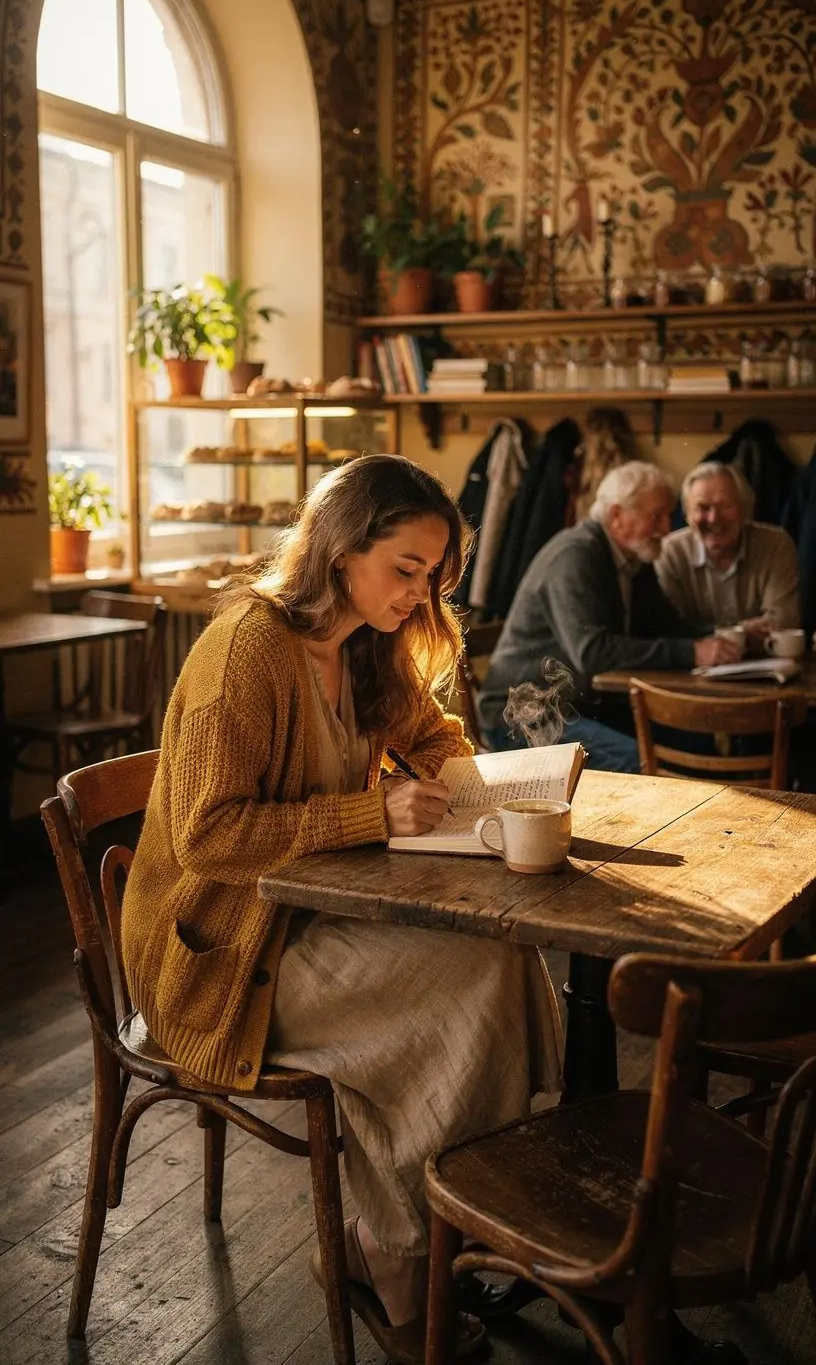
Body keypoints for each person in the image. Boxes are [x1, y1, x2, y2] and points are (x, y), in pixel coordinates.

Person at [121, 454, 563, 1365]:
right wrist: (372, 814)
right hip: (216, 953)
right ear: (339, 550)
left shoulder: (365, 641)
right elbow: (208, 836)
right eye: (406, 569)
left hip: (301, 915)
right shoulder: (248, 650)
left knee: (503, 958)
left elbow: (427, 732)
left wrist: (473, 771)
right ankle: (398, 1254)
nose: (419, 593)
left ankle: (448, 1227)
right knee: (461, 995)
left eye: (432, 575)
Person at [478, 460, 740, 771]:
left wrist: (728, 637)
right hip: (527, 715)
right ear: (617, 516)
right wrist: (693, 652)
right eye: (656, 516)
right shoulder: (575, 556)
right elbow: (594, 654)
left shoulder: (634, 556)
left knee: (696, 739)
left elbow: (665, 625)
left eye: (668, 516)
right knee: (636, 762)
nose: (666, 529)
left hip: (586, 706)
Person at [656, 461, 801, 646]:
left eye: (725, 506)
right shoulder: (669, 552)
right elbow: (671, 629)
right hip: (695, 663)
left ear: (744, 509)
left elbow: (784, 621)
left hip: (766, 660)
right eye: (702, 508)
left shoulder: (776, 545)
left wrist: (709, 634)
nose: (713, 518)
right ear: (687, 515)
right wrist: (744, 631)